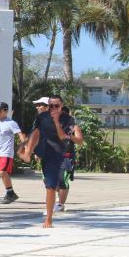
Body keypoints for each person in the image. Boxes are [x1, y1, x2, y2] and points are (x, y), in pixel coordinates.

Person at [19, 94, 83, 228]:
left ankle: (49, 218)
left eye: (56, 106)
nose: (53, 108)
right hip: (44, 150)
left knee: (51, 186)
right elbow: (34, 132)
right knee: (37, 131)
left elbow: (62, 136)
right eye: (51, 106)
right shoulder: (42, 117)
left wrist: (56, 121)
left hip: (58, 152)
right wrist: (26, 145)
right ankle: (28, 154)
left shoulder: (68, 120)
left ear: (61, 106)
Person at [0, 101, 26, 204]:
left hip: (6, 153)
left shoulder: (11, 123)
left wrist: (25, 146)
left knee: (2, 172)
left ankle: (10, 193)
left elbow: (20, 135)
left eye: (0, 110)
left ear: (6, 111)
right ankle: (11, 193)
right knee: (0, 173)